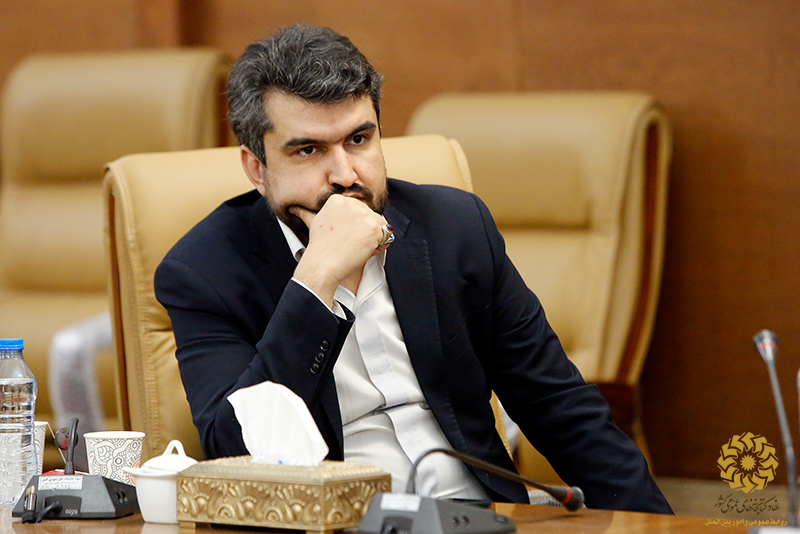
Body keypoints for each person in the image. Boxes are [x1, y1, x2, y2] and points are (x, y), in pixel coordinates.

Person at [154, 23, 672, 513]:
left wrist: (657, 525)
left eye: (359, 140)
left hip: (480, 516)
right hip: (334, 520)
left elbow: (557, 404)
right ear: (257, 168)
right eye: (309, 150)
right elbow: (234, 448)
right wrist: (315, 280)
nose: (345, 175)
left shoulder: (453, 226)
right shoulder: (204, 272)